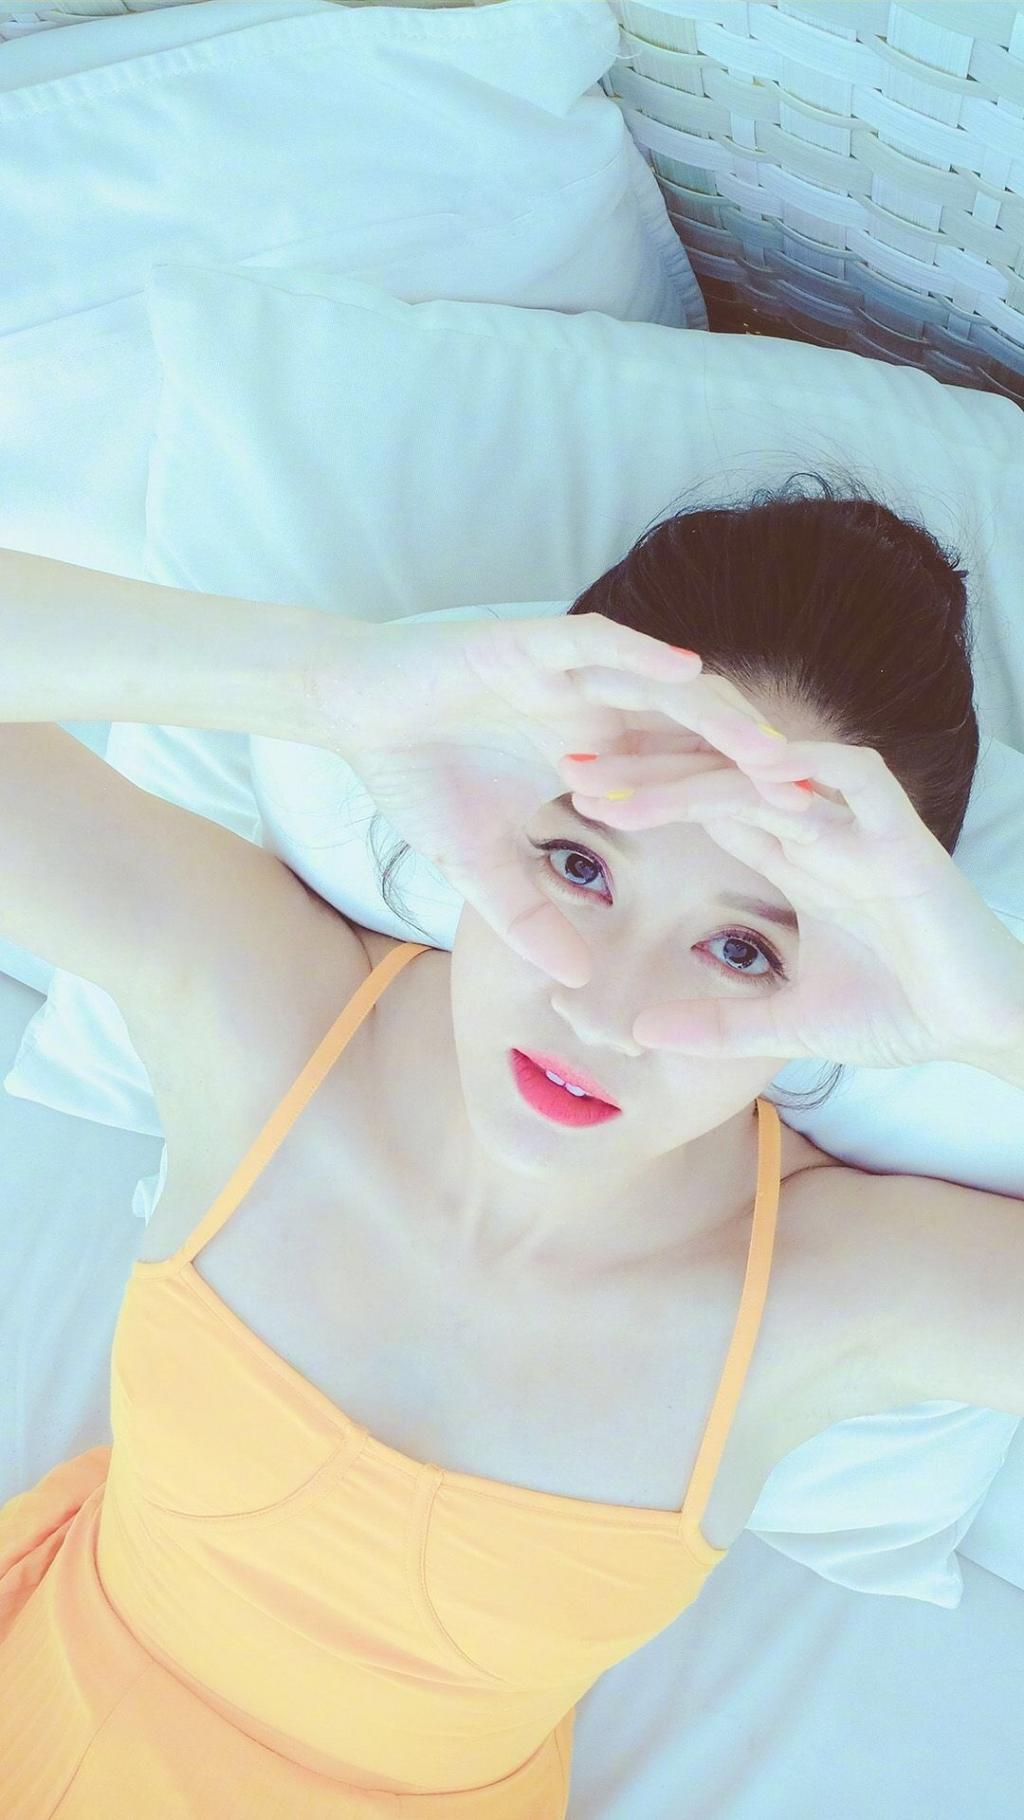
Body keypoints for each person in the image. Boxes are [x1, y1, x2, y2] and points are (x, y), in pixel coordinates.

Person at [1, 469, 1022, 1815]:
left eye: (741, 947)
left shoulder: (831, 1292)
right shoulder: (266, 1013)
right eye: (580, 866)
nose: (601, 1012)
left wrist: (993, 1026)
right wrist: (331, 688)